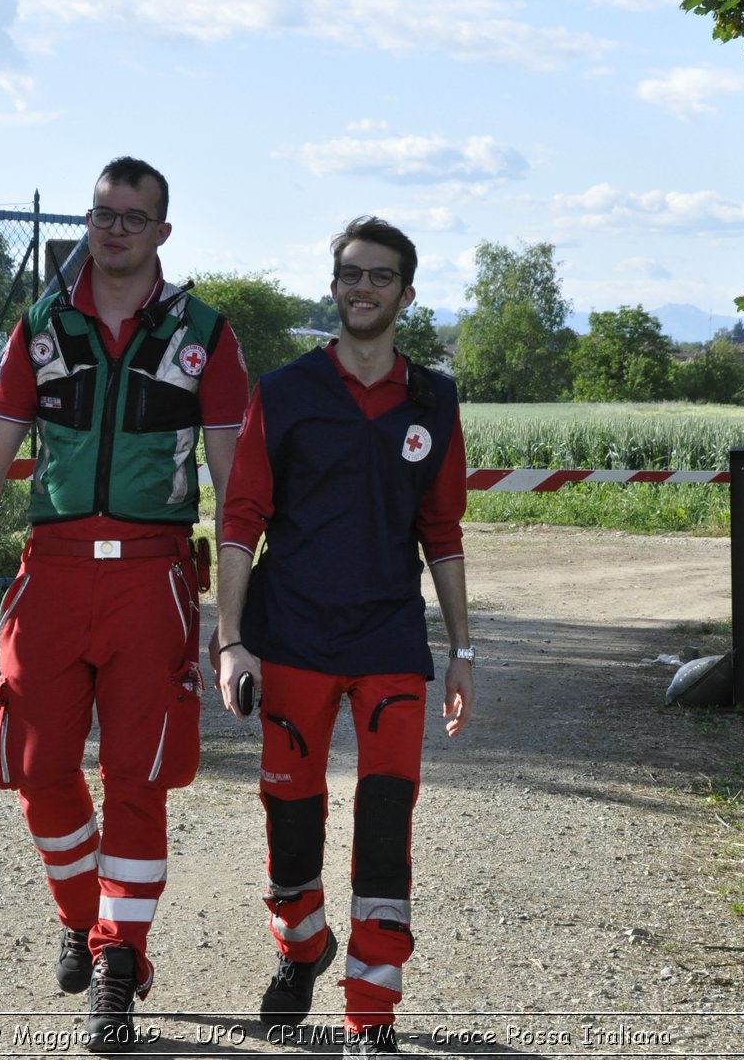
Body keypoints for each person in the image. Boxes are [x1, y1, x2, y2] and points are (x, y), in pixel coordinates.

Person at [0, 156, 249, 1051]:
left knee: (139, 776)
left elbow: (235, 486)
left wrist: (231, 625)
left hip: (153, 573)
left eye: (131, 216)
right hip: (53, 571)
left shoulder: (204, 334)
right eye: (101, 214)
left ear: (162, 230)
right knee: (36, 767)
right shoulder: (42, 326)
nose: (112, 229)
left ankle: (120, 965)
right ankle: (80, 913)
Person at [214, 217, 474, 1057]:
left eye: (381, 275)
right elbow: (240, 522)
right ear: (334, 286)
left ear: (406, 290)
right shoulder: (285, 391)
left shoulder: (435, 399)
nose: (363, 288)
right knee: (291, 822)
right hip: (290, 637)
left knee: (385, 819)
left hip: (390, 641)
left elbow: (443, 533)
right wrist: (230, 641)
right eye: (350, 274)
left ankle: (371, 1012)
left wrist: (463, 650)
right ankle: (301, 947)